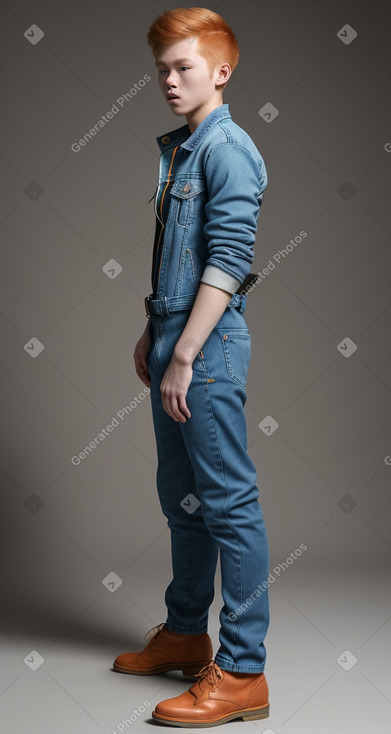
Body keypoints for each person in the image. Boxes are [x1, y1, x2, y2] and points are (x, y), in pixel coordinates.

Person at [113, 6, 271, 727]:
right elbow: (178, 260)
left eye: (182, 67)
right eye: (162, 70)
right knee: (183, 497)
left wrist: (182, 351)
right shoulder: (184, 148)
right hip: (178, 335)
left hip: (205, 351)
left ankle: (241, 672)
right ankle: (184, 633)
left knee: (228, 504)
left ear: (220, 70)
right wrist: (155, 329)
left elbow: (229, 260)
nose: (169, 81)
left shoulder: (228, 149)